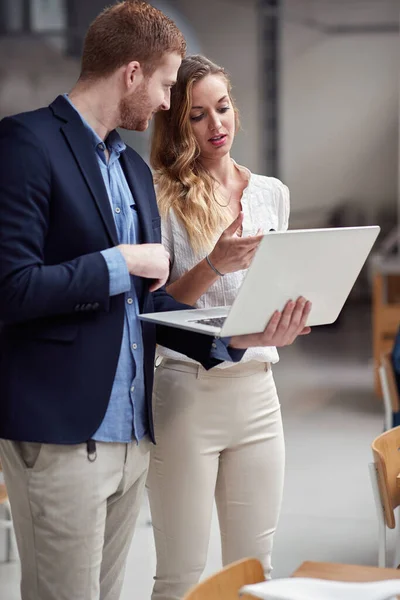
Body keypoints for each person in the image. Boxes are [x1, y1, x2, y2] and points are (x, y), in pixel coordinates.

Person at [0, 4, 311, 600]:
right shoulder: (27, 142)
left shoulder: (133, 174)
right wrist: (122, 263)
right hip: (64, 429)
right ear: (133, 73)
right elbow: (13, 288)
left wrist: (237, 339)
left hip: (132, 433)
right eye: (169, 86)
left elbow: (154, 308)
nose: (169, 105)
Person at [147, 54, 311, 600]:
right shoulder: (161, 194)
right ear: (176, 123)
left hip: (258, 394)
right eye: (197, 115)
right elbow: (159, 309)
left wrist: (286, 321)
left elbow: (272, 290)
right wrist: (216, 262)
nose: (216, 125)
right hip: (187, 395)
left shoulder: (272, 193)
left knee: (255, 573)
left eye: (222, 108)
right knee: (180, 574)